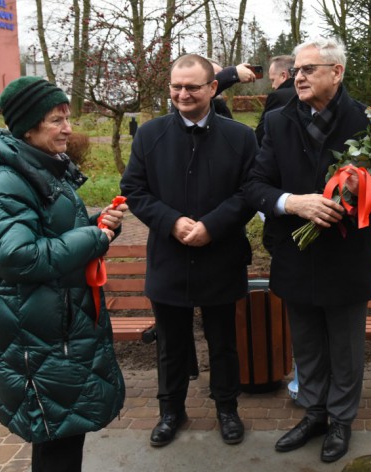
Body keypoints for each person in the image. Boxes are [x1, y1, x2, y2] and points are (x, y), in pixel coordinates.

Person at [244, 37, 371, 463]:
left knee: (345, 348)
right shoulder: (278, 121)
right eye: (296, 69)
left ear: (337, 72)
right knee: (308, 344)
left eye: (309, 69)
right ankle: (314, 413)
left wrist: (362, 190)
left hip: (346, 259)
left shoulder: (370, 124)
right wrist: (293, 203)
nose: (298, 76)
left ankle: (340, 421)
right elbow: (255, 185)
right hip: (295, 255)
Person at [0, 76, 127, 471]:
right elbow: (17, 256)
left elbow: (50, 234)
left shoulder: (39, 169)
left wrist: (98, 225)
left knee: (61, 434)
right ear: (29, 127)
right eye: (56, 120)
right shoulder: (8, 180)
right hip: (37, 338)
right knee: (57, 439)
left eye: (67, 118)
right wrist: (93, 238)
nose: (68, 128)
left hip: (55, 329)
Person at [120, 54, 257, 448]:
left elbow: (250, 191)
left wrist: (212, 226)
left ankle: (227, 408)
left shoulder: (240, 137)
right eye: (176, 86)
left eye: (192, 87)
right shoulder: (150, 135)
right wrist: (170, 221)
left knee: (223, 341)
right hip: (169, 257)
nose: (183, 94)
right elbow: (134, 189)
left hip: (221, 255)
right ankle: (171, 411)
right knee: (171, 342)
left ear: (213, 87)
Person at [255, 55, 296, 145]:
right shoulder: (308, 93)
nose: (273, 86)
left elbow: (261, 133)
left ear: (283, 76)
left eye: (273, 80)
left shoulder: (278, 96)